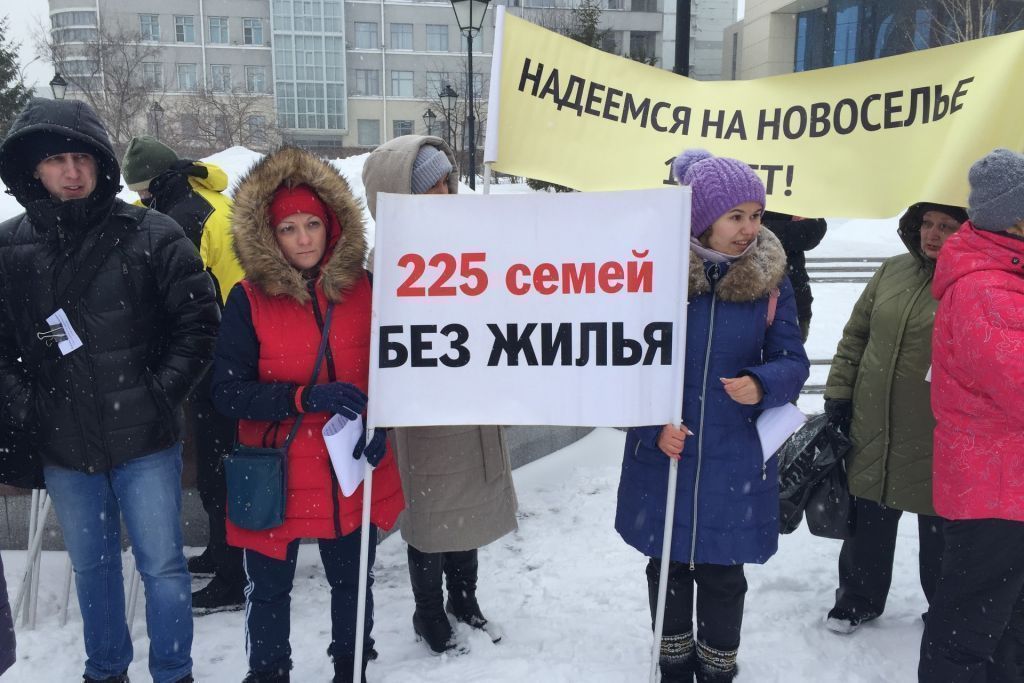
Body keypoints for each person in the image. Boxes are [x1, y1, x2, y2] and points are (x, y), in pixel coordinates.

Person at [0, 98, 219, 683]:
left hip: (145, 441)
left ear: (101, 163)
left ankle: (173, 672)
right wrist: (30, 407)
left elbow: (199, 324)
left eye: (82, 158)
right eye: (56, 160)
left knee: (163, 567)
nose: (71, 172)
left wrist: (158, 394)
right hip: (65, 445)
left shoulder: (153, 233)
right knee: (92, 569)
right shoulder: (8, 246)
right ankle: (104, 671)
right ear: (34, 168)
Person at [211, 146, 405, 683]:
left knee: (354, 582)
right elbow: (227, 394)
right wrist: (302, 398)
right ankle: (269, 672)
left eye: (312, 224)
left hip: (349, 468)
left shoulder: (367, 290)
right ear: (269, 236)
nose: (303, 239)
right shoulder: (248, 300)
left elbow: (394, 371)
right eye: (289, 228)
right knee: (269, 590)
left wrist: (384, 425)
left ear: (332, 224)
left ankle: (351, 667)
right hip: (276, 472)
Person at [615, 149, 809, 682]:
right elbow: (621, 365)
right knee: (668, 567)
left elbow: (793, 361)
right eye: (735, 216)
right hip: (666, 454)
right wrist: (652, 426)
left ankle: (719, 666)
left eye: (756, 215)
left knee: (724, 573)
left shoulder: (770, 282)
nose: (749, 229)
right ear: (702, 219)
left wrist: (762, 383)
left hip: (735, 456)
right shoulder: (652, 272)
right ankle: (673, 662)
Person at [361, 135, 519, 654]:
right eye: (431, 186)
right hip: (423, 414)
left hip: (469, 401)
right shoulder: (385, 263)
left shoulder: (471, 244)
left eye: (447, 182)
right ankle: (427, 610)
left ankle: (464, 598)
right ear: (399, 195)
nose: (445, 193)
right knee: (430, 515)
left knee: (467, 507)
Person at [822, 201, 967, 635]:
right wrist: (839, 395)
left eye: (946, 226)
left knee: (941, 529)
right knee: (869, 515)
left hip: (937, 430)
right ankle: (858, 599)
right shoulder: (892, 271)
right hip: (874, 423)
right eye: (927, 223)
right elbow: (856, 337)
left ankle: (945, 609)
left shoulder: (973, 281)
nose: (932, 234)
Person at [122, 135, 247, 613]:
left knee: (220, 466)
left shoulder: (186, 216)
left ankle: (233, 575)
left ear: (155, 183)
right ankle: (222, 552)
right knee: (219, 463)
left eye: (141, 190)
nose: (139, 199)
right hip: (229, 346)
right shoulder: (196, 196)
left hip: (223, 353)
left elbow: (174, 292)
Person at [919, 148, 1024, 682]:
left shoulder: (1006, 276)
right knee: (969, 630)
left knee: (1007, 628)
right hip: (993, 491)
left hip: (1004, 486)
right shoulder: (986, 288)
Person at [760, 212, 827, 341]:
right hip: (741, 300)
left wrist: (762, 228)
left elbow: (814, 229)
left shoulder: (796, 199)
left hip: (795, 300)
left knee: (791, 349)